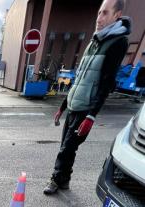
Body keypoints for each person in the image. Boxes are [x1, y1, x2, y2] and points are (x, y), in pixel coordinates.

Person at [43, 0, 131, 195]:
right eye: (99, 13)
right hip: (75, 103)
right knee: (67, 148)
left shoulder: (117, 43)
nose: (99, 18)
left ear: (117, 15)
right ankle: (64, 180)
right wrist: (63, 106)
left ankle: (56, 179)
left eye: (105, 13)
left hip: (86, 109)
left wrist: (92, 116)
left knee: (66, 148)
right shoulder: (95, 41)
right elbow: (79, 77)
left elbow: (107, 82)